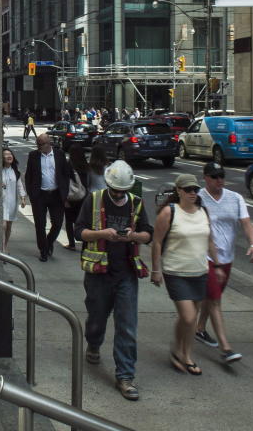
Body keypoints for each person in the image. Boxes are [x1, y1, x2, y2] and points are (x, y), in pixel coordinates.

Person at [75, 160, 153, 401]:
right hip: (98, 274)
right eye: (115, 190)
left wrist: (134, 236)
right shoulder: (94, 199)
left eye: (123, 191)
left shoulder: (136, 203)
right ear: (108, 184)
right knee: (97, 318)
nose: (119, 194)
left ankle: (125, 376)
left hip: (126, 274)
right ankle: (94, 343)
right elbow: (79, 232)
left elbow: (147, 234)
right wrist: (102, 234)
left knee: (127, 325)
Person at [151, 173, 223, 376]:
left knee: (190, 317)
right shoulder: (169, 212)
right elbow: (157, 242)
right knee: (189, 316)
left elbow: (210, 241)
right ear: (179, 191)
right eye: (188, 189)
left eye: (195, 189)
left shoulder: (203, 212)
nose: (193, 193)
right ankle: (178, 349)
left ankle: (185, 354)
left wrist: (217, 266)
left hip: (199, 271)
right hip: (176, 271)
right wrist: (156, 270)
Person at [195, 161, 253, 363]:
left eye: (222, 176)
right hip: (205, 256)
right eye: (214, 176)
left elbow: (246, 223)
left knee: (211, 296)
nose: (219, 180)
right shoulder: (198, 198)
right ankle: (226, 348)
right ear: (205, 177)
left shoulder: (235, 198)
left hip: (227, 258)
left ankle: (199, 328)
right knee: (215, 300)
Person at [25, 133, 73, 261]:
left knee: (57, 223)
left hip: (56, 195)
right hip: (39, 195)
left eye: (41, 144)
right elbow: (28, 175)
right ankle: (43, 251)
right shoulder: (33, 156)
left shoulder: (59, 154)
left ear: (49, 143)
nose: (38, 147)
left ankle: (48, 241)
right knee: (40, 224)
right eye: (37, 144)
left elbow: (66, 174)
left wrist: (65, 192)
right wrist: (31, 194)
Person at [1, 148, 27, 254]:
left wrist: (23, 198)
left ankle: (5, 245)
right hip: (1, 202)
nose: (9, 156)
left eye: (10, 154)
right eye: (6, 154)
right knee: (3, 225)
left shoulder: (16, 172)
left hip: (12, 201)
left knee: (9, 226)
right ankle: (2, 248)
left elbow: (20, 186)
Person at [64, 145, 89, 251]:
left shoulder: (69, 165)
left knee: (69, 221)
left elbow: (65, 182)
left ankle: (72, 244)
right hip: (83, 196)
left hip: (71, 197)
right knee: (82, 220)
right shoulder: (85, 165)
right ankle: (85, 242)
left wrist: (64, 198)